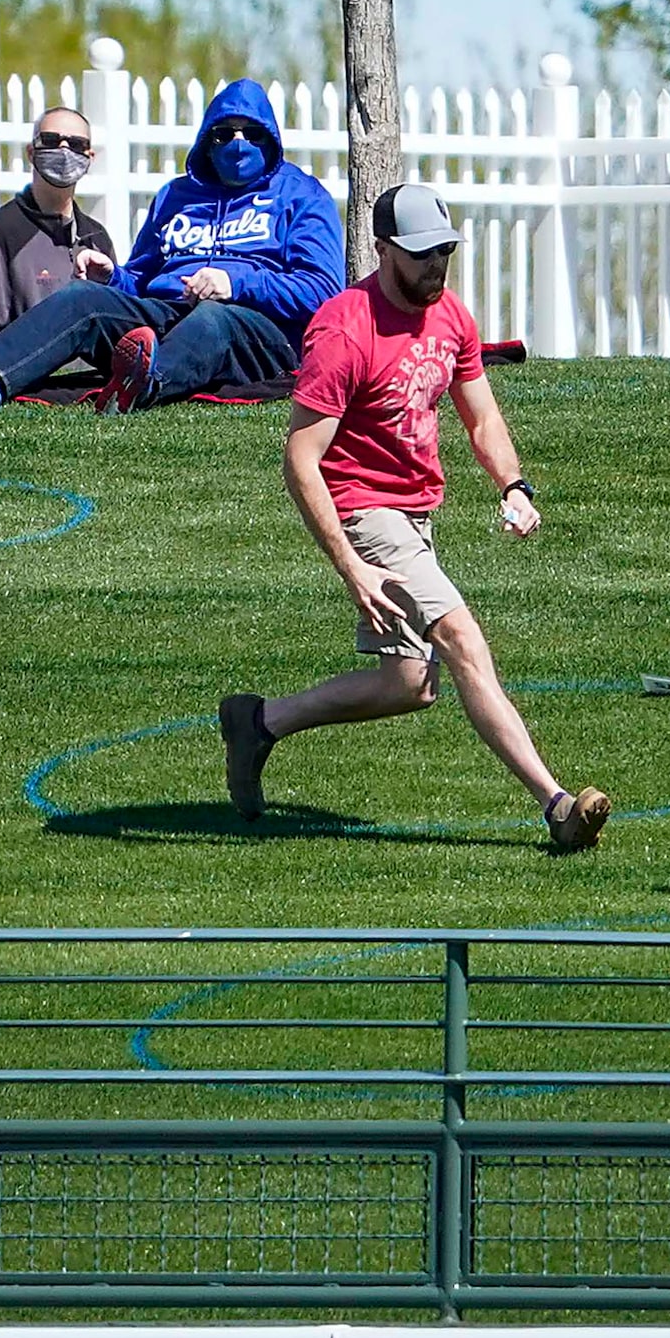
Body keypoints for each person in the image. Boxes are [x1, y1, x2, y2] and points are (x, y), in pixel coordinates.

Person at [217, 185, 610, 851]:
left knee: (408, 685)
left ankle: (259, 721)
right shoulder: (344, 330)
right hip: (363, 514)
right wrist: (350, 566)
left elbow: (480, 416)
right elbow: (300, 460)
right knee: (461, 638)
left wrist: (513, 485)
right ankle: (557, 805)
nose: (436, 267)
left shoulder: (450, 317)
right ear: (382, 250)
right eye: (422, 254)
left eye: (444, 252)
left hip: (417, 511)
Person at [0, 79, 343, 413]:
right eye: (224, 134)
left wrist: (236, 281)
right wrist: (114, 278)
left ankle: (143, 383)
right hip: (168, 316)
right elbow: (142, 279)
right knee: (83, 298)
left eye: (252, 133)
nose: (237, 143)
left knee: (213, 319)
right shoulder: (176, 196)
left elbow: (322, 290)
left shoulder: (301, 196)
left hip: (256, 331)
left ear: (272, 139)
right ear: (207, 140)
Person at [0, 107, 116, 358]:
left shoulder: (97, 238)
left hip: (88, 386)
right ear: (31, 152)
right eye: (50, 140)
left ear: (90, 157)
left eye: (76, 144)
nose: (64, 150)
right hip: (28, 385)